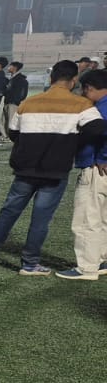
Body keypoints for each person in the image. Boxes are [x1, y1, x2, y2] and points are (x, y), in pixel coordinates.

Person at [0, 61, 106, 275]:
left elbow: (14, 132)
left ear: (51, 79)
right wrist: (72, 142)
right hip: (55, 171)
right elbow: (98, 129)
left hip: (25, 168)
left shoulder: (29, 103)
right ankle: (30, 264)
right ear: (74, 81)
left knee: (8, 213)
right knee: (40, 219)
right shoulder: (81, 104)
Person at [57, 69, 107, 280]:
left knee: (87, 218)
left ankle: (87, 267)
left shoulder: (99, 109)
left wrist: (103, 156)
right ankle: (101, 259)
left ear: (89, 88)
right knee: (103, 218)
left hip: (96, 168)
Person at [0, 61, 28, 145]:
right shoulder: (12, 78)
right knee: (5, 121)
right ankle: (6, 136)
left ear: (14, 68)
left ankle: (12, 138)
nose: (8, 68)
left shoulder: (20, 79)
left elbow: (22, 94)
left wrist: (15, 101)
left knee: (11, 122)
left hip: (13, 104)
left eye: (10, 66)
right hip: (8, 102)